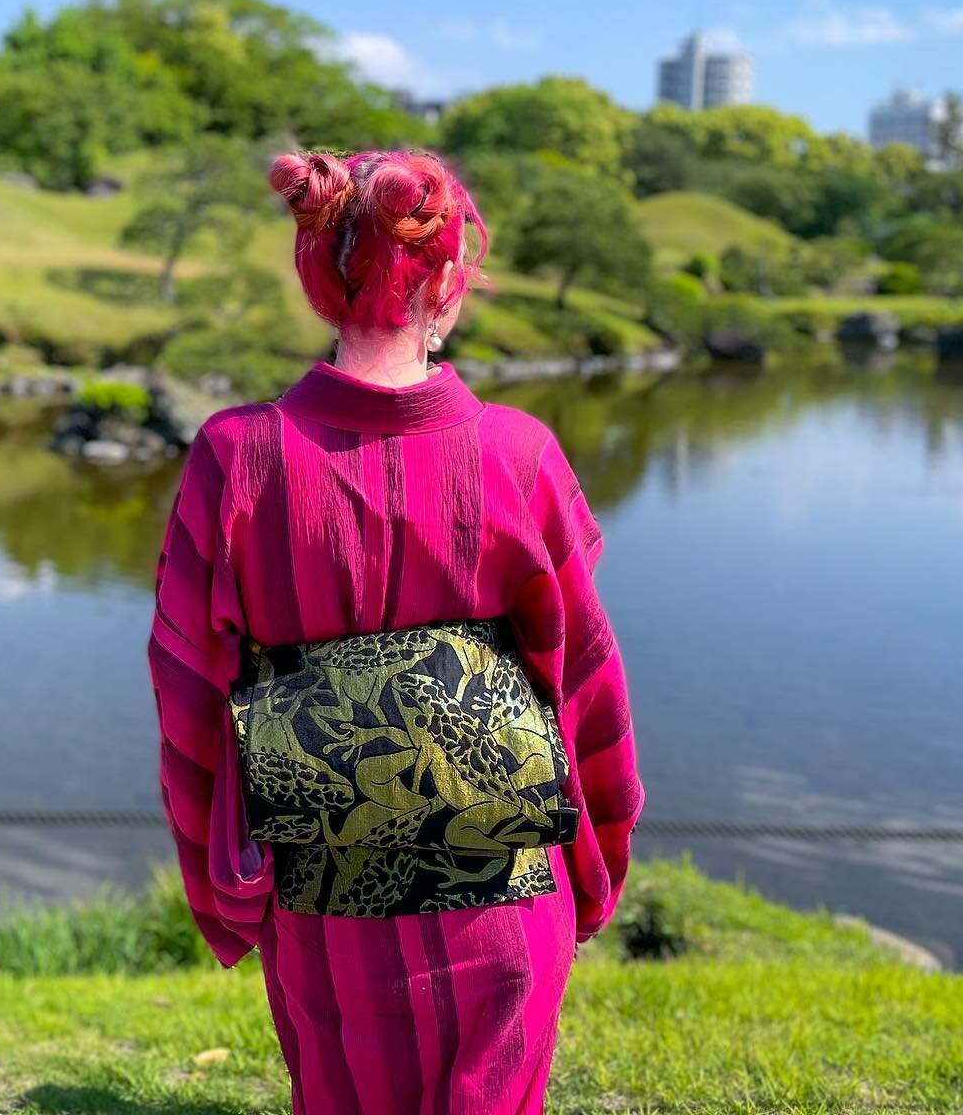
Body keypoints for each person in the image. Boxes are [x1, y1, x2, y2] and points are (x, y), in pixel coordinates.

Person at [147, 147, 644, 1114]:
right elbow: (583, 683)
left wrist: (232, 885)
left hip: (327, 911)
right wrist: (592, 864)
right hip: (505, 896)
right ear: (452, 280)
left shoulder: (235, 457)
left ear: (314, 279)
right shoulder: (518, 454)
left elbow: (193, 697)